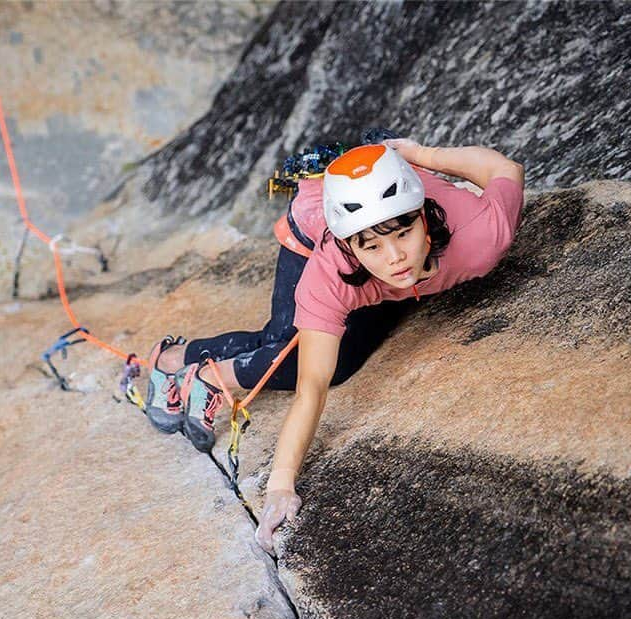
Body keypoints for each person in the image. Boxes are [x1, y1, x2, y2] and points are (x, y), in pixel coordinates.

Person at [143, 137, 525, 552]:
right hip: (310, 229)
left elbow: (506, 170)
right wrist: (280, 486)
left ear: (422, 219)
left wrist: (422, 155)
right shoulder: (331, 270)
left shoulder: (480, 238)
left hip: (380, 240)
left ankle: (202, 368)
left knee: (344, 358)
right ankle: (181, 363)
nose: (396, 257)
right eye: (374, 246)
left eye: (404, 232)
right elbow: (312, 389)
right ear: (349, 249)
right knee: (288, 345)